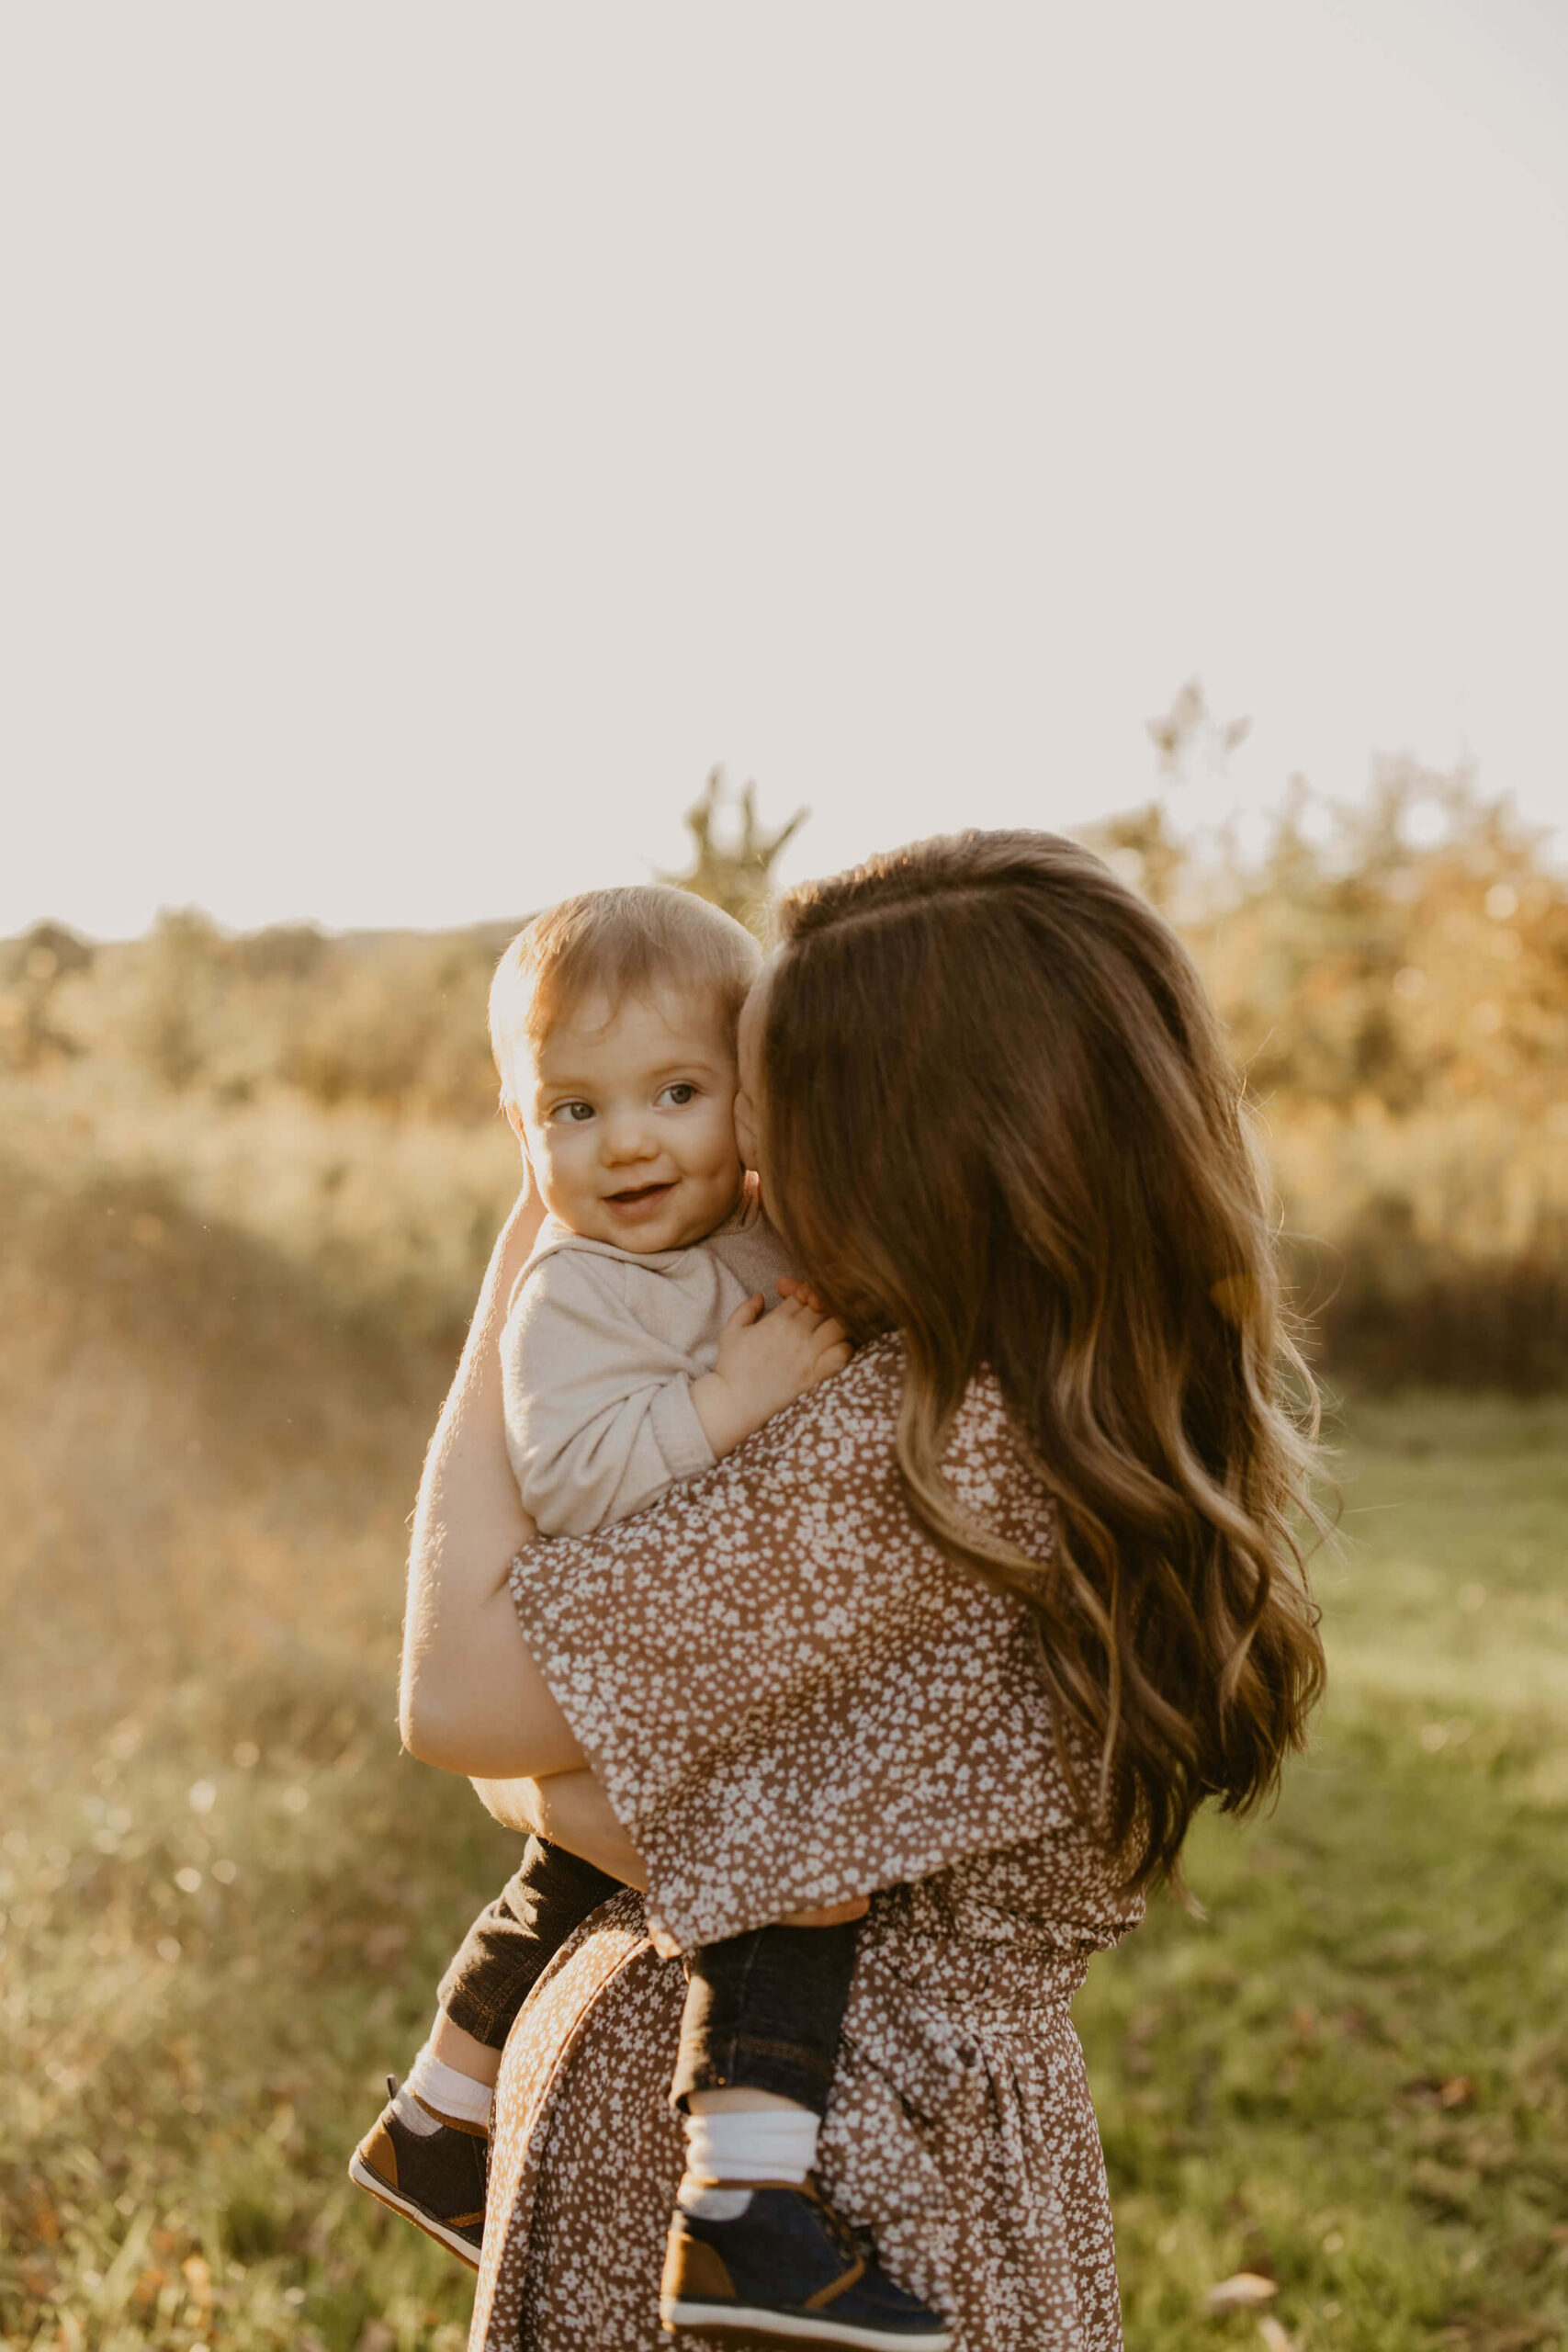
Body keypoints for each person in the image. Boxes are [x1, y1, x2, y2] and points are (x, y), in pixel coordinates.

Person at [399, 830, 1327, 2352]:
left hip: (828, 2152)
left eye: (759, 1100)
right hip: (946, 2130)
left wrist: (530, 1257)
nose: (737, 1147)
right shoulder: (1081, 1405)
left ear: (910, 1139)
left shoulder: (912, 1443)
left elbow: (462, 1703)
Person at [352, 886, 942, 2342]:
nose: (627, 1141)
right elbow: (585, 1476)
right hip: (623, 1632)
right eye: (574, 1109)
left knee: (563, 1872)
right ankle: (744, 2199)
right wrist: (734, 1397)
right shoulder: (576, 1292)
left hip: (673, 1650)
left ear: (752, 1102)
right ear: (519, 1130)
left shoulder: (741, 1231)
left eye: (676, 1093)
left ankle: (441, 2106)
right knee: (790, 1876)